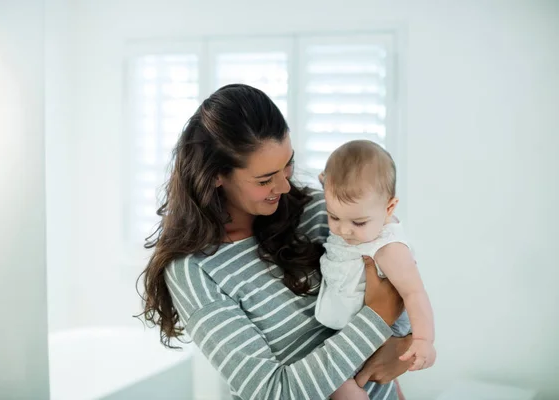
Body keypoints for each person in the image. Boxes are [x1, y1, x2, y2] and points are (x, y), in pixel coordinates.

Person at [139, 84, 413, 400]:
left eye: (288, 165)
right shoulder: (195, 271)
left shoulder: (320, 212)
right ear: (216, 175)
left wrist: (405, 342)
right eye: (265, 179)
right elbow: (272, 392)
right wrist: (377, 317)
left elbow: (400, 280)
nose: (284, 186)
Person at [315, 141, 436, 400]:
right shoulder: (352, 214)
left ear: (389, 208)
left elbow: (414, 292)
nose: (344, 230)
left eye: (358, 222)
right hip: (356, 323)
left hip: (387, 330)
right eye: (333, 217)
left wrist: (424, 340)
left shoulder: (387, 247)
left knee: (340, 387)